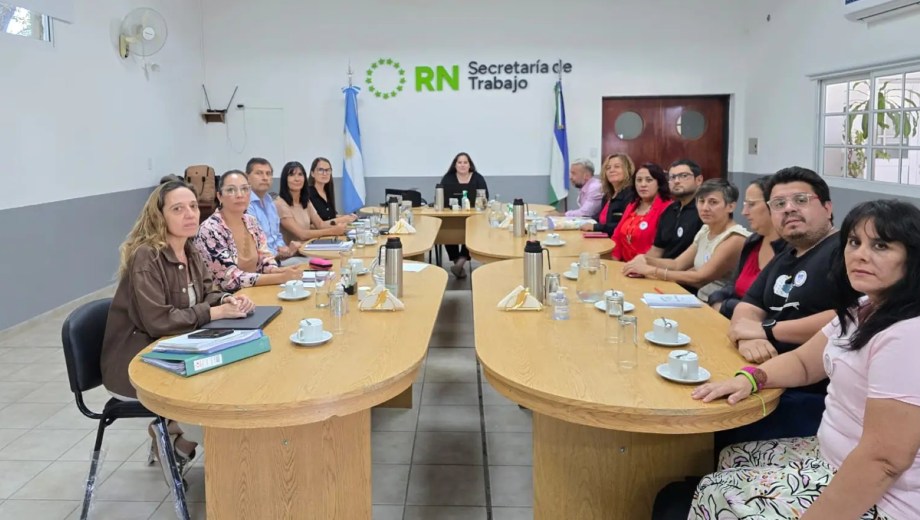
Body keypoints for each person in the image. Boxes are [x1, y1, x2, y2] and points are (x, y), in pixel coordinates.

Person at [688, 199, 920, 520]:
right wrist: (750, 378)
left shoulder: (908, 334)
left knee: (717, 491)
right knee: (732, 456)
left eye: (881, 245)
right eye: (854, 242)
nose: (861, 254)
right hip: (830, 456)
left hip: (885, 499)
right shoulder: (865, 307)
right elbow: (802, 363)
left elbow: (885, 461)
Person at [100, 179, 255, 473]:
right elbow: (159, 322)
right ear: (160, 217)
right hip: (136, 362)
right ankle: (180, 444)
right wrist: (214, 313)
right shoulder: (147, 257)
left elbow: (209, 291)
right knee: (216, 399)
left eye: (194, 207)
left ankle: (176, 439)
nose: (190, 214)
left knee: (235, 374)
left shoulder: (190, 248)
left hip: (177, 347)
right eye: (178, 209)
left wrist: (227, 300)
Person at [719, 166, 839, 449]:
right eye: (779, 204)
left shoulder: (845, 250)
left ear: (827, 207)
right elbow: (749, 305)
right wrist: (747, 335)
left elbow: (846, 317)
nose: (789, 209)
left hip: (810, 392)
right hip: (768, 369)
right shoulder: (786, 254)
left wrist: (767, 331)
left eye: (800, 200)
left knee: (715, 424)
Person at [622, 179, 749, 302]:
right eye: (701, 201)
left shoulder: (735, 237)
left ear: (731, 207)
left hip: (718, 306)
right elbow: (677, 264)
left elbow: (700, 278)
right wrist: (646, 259)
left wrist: (650, 270)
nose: (705, 208)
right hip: (700, 299)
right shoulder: (705, 230)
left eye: (713, 202)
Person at [195, 170, 303, 291]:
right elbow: (230, 280)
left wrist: (278, 270)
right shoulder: (210, 230)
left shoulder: (251, 221)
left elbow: (265, 259)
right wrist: (281, 277)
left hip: (255, 292)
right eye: (231, 190)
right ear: (219, 196)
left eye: (245, 189)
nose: (239, 195)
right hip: (227, 300)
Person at [708, 177, 785, 318]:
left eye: (751, 204)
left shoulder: (791, 251)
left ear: (774, 205)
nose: (744, 212)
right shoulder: (753, 242)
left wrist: (724, 306)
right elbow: (732, 286)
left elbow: (767, 309)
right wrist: (716, 299)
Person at [244, 157, 306, 266]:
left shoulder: (270, 202)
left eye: (268, 174)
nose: (265, 178)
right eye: (259, 173)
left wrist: (285, 249)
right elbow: (255, 246)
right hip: (261, 266)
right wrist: (280, 253)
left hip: (278, 260)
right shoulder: (245, 204)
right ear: (247, 177)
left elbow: (276, 236)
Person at [609, 162, 672, 261]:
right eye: (639, 180)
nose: (643, 184)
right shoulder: (632, 205)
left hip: (649, 268)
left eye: (649, 180)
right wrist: (614, 262)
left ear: (659, 183)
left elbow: (662, 248)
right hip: (623, 266)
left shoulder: (667, 207)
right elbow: (617, 236)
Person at [439, 152, 488, 278]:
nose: (462, 165)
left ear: (469, 164)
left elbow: (485, 197)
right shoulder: (448, 178)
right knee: (448, 233)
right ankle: (458, 264)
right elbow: (441, 198)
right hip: (452, 216)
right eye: (459, 162)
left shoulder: (478, 178)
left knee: (472, 234)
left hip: (473, 216)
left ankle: (460, 263)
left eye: (465, 162)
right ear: (455, 165)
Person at [275, 161, 348, 243]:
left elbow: (320, 224)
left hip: (310, 247)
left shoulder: (305, 201)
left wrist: (342, 224)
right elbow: (302, 234)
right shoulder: (280, 204)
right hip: (294, 254)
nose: (297, 179)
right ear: (285, 180)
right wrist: (332, 231)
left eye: (300, 174)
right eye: (291, 175)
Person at [647, 159, 704, 259]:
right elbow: (657, 249)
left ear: (698, 180)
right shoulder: (669, 210)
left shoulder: (704, 211)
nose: (676, 181)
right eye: (672, 177)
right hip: (661, 269)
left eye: (684, 176)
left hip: (685, 272)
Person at [580, 153, 636, 236]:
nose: (611, 170)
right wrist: (582, 222)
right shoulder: (607, 195)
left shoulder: (631, 194)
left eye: (617, 166)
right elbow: (601, 218)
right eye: (608, 168)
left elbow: (624, 225)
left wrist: (596, 227)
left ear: (627, 170)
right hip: (604, 238)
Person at [307, 157, 358, 224]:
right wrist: (341, 220)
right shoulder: (307, 193)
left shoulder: (327, 191)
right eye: (320, 170)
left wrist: (348, 217)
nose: (325, 173)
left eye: (328, 170)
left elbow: (330, 216)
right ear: (312, 173)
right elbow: (311, 226)